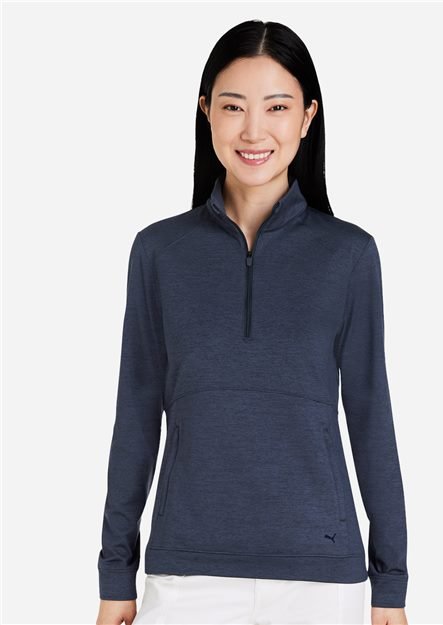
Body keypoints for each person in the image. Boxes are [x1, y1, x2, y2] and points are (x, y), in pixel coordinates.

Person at [96, 19, 409, 625]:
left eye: (277, 107)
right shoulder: (159, 252)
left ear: (308, 117)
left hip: (322, 580)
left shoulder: (348, 255)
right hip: (185, 578)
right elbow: (134, 417)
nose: (254, 130)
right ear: (206, 111)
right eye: (234, 106)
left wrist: (390, 584)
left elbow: (372, 418)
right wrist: (115, 574)